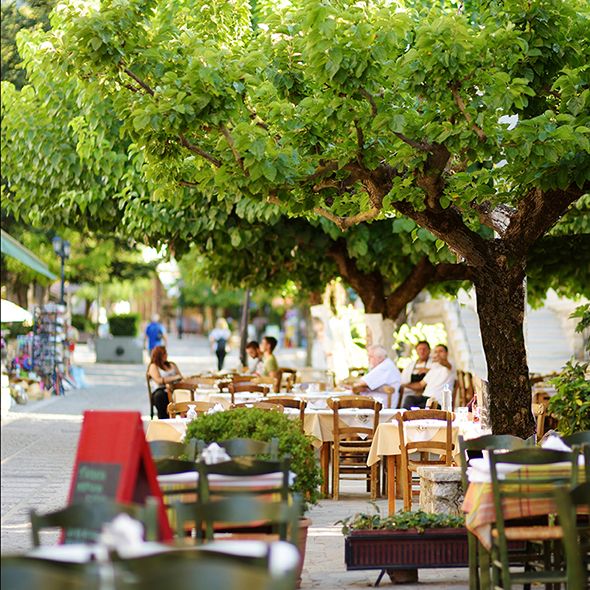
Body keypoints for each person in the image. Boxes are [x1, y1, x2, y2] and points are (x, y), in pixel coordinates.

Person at [402, 344, 456, 409]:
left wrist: (440, 360)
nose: (438, 354)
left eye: (440, 351)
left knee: (418, 408)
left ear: (447, 353)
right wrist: (404, 385)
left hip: (437, 402)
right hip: (425, 398)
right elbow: (420, 384)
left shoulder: (451, 366)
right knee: (409, 399)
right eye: (436, 352)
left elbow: (447, 364)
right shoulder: (434, 367)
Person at [350, 344, 402, 409]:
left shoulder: (385, 367)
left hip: (380, 407)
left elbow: (361, 383)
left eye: (371, 356)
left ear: (380, 358)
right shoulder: (386, 364)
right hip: (376, 405)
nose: (369, 359)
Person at [148, 346, 182, 419]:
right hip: (161, 390)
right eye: (163, 354)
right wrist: (174, 377)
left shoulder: (172, 365)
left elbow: (180, 377)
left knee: (183, 394)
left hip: (175, 388)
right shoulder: (154, 366)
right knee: (160, 397)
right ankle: (164, 418)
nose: (166, 355)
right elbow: (159, 381)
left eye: (166, 353)